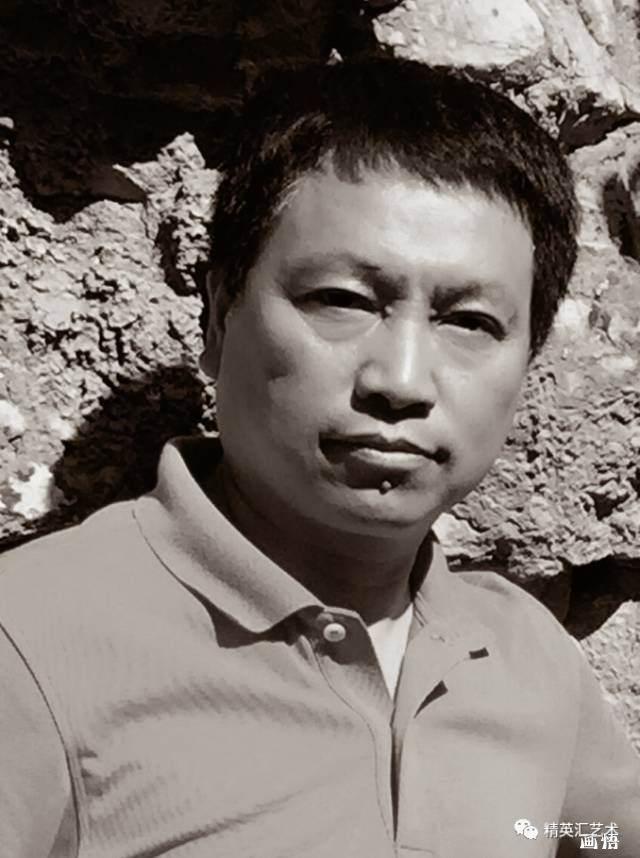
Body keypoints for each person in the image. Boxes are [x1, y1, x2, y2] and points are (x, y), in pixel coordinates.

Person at [0, 56, 638, 858]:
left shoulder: (528, 657)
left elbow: (586, 836)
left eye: (470, 322)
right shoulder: (31, 645)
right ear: (217, 318)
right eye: (341, 301)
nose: (401, 380)